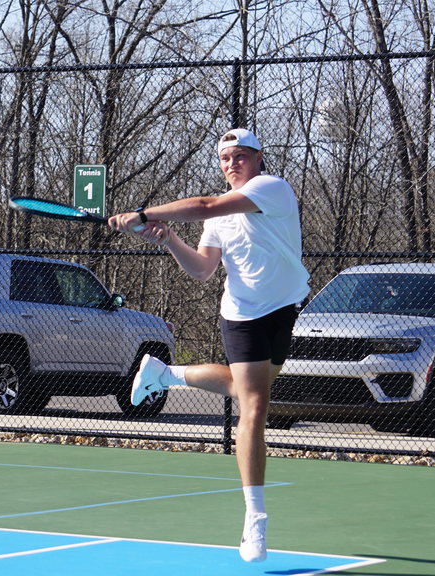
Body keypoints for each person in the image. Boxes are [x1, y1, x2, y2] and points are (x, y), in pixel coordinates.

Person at [108, 128, 310, 563]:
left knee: (245, 390)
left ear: (258, 159)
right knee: (254, 406)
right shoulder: (218, 218)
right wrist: (168, 240)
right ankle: (255, 519)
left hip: (284, 307)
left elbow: (204, 205)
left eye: (240, 156)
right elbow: (202, 269)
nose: (232, 164)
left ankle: (165, 373)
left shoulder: (272, 189)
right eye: (224, 159)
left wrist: (141, 213)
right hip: (242, 314)